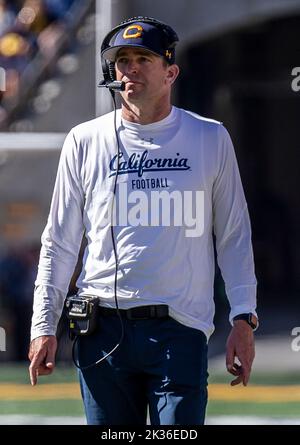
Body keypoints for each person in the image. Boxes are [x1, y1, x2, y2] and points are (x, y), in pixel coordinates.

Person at [28, 16, 258, 425]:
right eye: (122, 60)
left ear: (171, 71)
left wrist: (243, 316)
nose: (130, 69)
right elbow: (59, 242)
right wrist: (43, 324)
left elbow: (234, 236)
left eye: (142, 58)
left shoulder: (210, 137)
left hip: (179, 329)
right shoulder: (84, 140)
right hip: (101, 331)